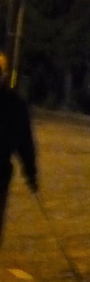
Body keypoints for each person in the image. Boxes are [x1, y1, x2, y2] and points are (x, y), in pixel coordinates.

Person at [0, 50, 38, 248]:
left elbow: (24, 142)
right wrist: (30, 174)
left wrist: (30, 172)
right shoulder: (14, 104)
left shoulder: (14, 105)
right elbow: (24, 142)